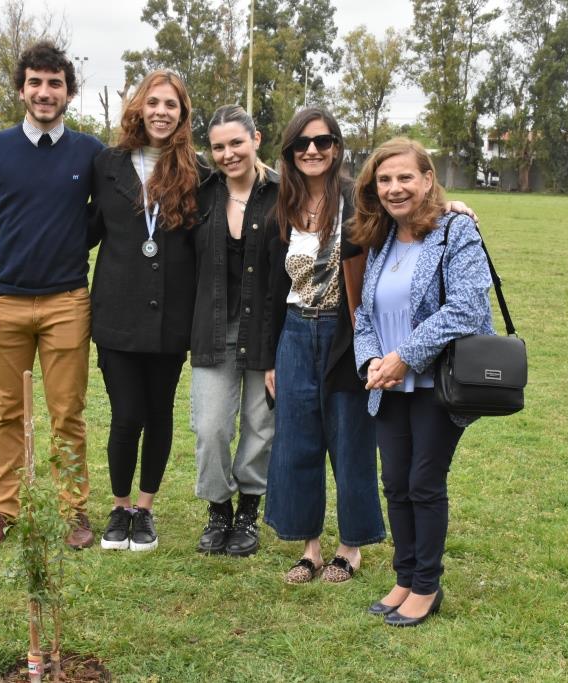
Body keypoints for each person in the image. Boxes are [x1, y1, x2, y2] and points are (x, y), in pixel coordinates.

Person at [0, 41, 104, 550]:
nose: (44, 92)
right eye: (35, 82)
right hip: (2, 305)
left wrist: (63, 241)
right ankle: (3, 511)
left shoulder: (90, 152)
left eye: (54, 83)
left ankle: (73, 512)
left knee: (68, 414)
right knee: (6, 413)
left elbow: (101, 219)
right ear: (21, 90)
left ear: (68, 92)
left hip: (66, 303)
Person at [351, 138, 495, 627]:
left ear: (428, 179)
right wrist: (372, 360)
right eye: (385, 180)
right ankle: (404, 575)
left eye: (405, 177)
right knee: (395, 484)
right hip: (389, 386)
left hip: (438, 381)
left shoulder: (457, 230)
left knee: (423, 483)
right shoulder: (383, 238)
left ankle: (426, 586)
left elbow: (468, 307)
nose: (395, 188)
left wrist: (403, 357)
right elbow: (365, 313)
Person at [263, 107, 387, 584]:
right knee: (297, 440)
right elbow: (270, 288)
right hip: (294, 333)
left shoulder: (362, 198)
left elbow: (412, 207)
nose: (312, 150)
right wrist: (270, 356)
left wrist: (454, 208)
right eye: (302, 143)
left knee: (351, 438)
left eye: (322, 141)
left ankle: (350, 547)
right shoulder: (282, 202)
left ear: (336, 147)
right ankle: (309, 547)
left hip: (344, 333)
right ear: (291, 152)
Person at [89, 70, 208, 552]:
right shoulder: (107, 163)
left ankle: (145, 509)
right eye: (154, 102)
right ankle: (119, 510)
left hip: (171, 317)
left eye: (172, 105)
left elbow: (253, 184)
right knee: (126, 414)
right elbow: (82, 227)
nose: (161, 111)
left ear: (182, 115)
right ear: (138, 107)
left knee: (159, 413)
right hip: (116, 313)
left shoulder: (199, 170)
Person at [189, 105, 277, 557]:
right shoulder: (202, 193)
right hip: (212, 327)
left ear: (256, 139)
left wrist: (446, 205)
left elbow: (346, 203)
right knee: (211, 427)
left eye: (236, 143)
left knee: (261, 427)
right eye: (218, 147)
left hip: (267, 331)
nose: (228, 154)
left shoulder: (285, 192)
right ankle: (218, 509)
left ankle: (248, 512)